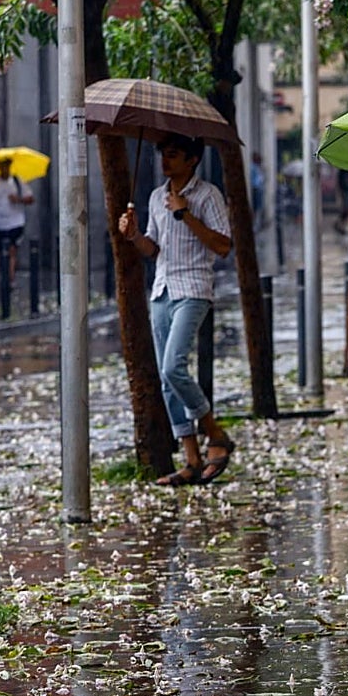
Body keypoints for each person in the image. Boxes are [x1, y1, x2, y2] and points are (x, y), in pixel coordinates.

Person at [117, 134, 236, 487]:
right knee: (168, 381)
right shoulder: (156, 197)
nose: (165, 162)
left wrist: (186, 214)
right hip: (162, 290)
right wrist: (134, 235)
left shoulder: (207, 195)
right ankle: (191, 460)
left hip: (194, 289)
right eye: (163, 155)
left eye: (173, 155)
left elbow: (224, 246)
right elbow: (153, 250)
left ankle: (216, 434)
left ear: (192, 160)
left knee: (173, 366)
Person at [0, 157, 35, 286]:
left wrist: (19, 199)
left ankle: (9, 279)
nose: (4, 168)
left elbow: (31, 199)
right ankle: (6, 275)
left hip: (15, 222)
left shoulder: (17, 181)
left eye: (6, 166)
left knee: (12, 249)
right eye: (2, 166)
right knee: (2, 251)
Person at [249, 151, 266, 229]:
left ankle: (258, 223)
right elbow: (255, 180)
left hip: (259, 189)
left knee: (259, 207)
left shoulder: (257, 167)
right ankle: (255, 224)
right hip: (256, 188)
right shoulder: (253, 167)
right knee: (256, 207)